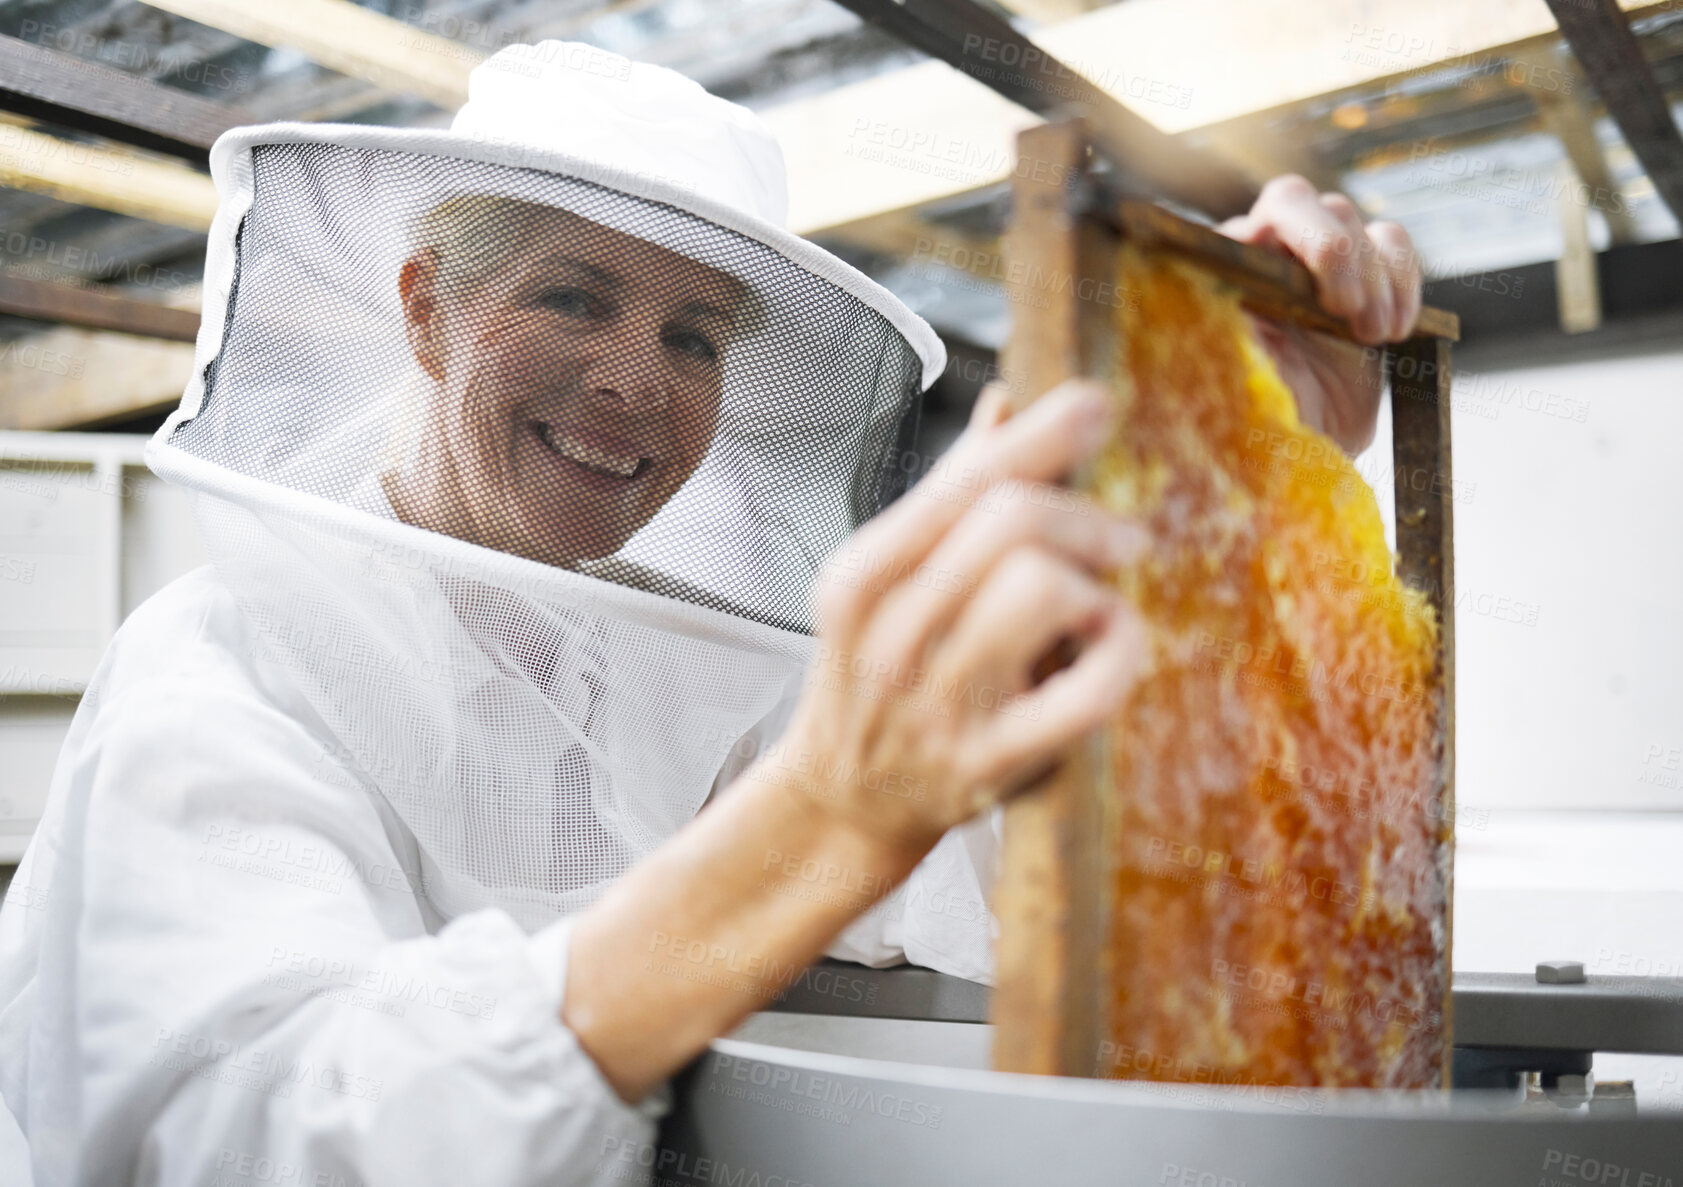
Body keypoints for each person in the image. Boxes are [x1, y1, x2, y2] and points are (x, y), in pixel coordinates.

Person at [0, 40, 1422, 1187]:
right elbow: (245, 1142)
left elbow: (1008, 894)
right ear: (426, 309)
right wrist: (820, 815)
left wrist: (1233, 433)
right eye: (574, 296)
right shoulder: (224, 669)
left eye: (694, 338)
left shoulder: (683, 674)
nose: (637, 382)